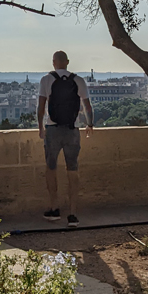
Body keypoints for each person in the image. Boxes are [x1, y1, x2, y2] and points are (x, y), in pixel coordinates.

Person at [36, 50, 93, 228]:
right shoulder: (78, 80)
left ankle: (54, 208)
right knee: (73, 169)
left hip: (52, 129)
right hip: (72, 129)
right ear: (67, 62)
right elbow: (87, 106)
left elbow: (41, 106)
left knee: (51, 168)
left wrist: (40, 127)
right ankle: (73, 213)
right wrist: (90, 124)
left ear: (53, 62)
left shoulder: (46, 80)